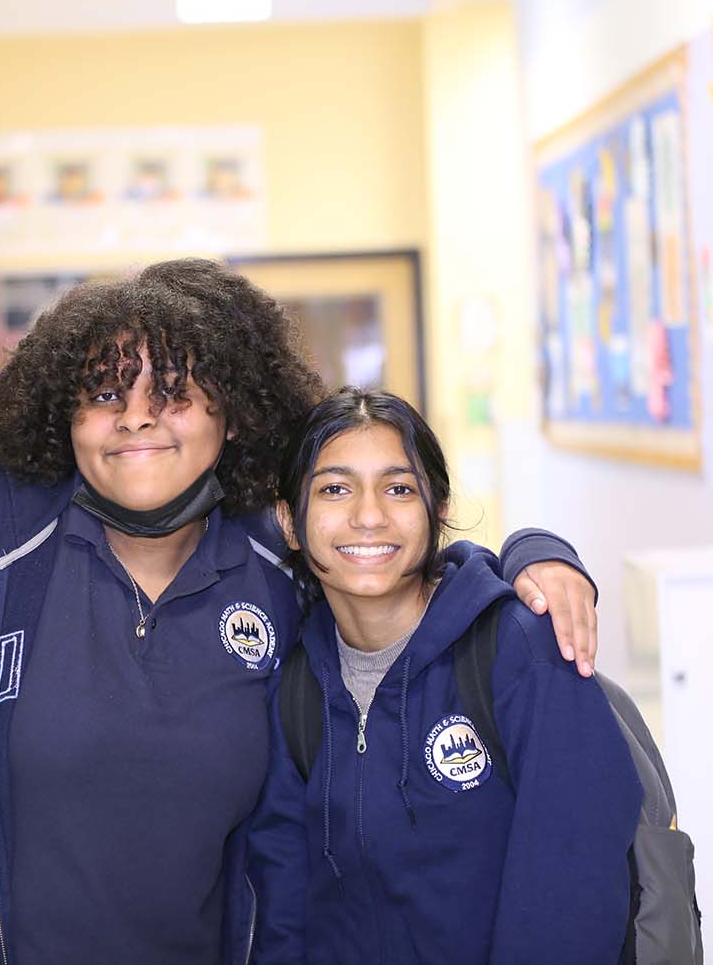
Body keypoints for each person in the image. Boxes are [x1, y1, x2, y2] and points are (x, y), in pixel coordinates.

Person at [0, 259, 600, 965]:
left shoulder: (274, 566)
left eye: (172, 391)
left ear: (230, 413)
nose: (136, 414)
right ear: (65, 414)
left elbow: (394, 565)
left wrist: (535, 553)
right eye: (105, 391)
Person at [248, 388, 642, 964]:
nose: (368, 515)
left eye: (399, 488)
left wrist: (536, 548)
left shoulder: (520, 649)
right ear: (289, 520)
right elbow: (285, 902)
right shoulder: (297, 681)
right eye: (335, 488)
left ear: (438, 509)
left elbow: (574, 888)